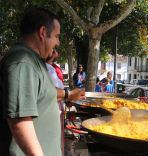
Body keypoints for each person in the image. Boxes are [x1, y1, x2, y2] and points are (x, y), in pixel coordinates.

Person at [0, 8, 85, 156]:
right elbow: (20, 122)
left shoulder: (34, 61)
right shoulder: (23, 62)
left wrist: (68, 94)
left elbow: (43, 93)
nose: (58, 42)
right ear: (43, 32)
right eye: (57, 36)